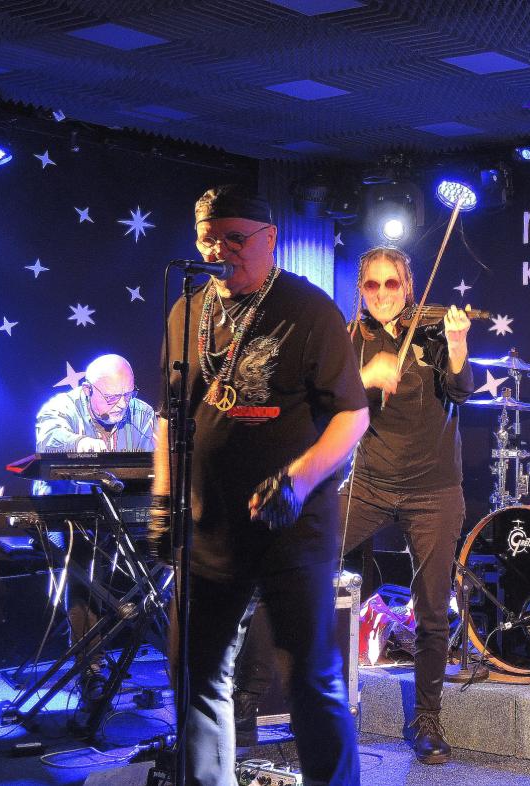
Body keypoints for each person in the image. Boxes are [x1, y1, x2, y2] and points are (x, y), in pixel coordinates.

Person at [152, 185, 368, 786]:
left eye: (234, 238)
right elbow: (169, 415)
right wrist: (165, 499)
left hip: (291, 527)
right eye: (208, 238)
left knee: (310, 678)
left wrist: (298, 478)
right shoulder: (187, 310)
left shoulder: (309, 309)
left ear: (270, 238)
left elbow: (353, 415)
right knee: (195, 673)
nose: (219, 250)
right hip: (209, 526)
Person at [233, 246, 474, 764]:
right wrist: (363, 377)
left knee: (433, 609)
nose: (383, 294)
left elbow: (460, 391)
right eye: (372, 284)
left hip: (434, 491)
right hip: (368, 484)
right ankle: (245, 702)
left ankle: (427, 720)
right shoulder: (347, 339)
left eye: (392, 284)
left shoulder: (433, 335)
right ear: (360, 291)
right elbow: (317, 406)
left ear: (409, 287)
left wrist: (457, 344)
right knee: (290, 566)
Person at [34, 353, 157, 728]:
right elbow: (49, 438)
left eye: (128, 395)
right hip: (69, 517)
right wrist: (82, 444)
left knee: (166, 559)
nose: (122, 405)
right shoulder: (60, 407)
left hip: (124, 516)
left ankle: (181, 661)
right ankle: (92, 672)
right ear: (88, 389)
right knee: (85, 565)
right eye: (112, 397)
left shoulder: (141, 412)